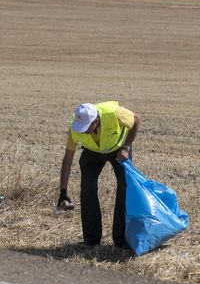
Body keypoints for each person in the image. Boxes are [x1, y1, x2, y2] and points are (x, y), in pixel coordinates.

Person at [58, 101, 141, 248]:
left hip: (118, 148)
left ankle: (121, 240)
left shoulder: (114, 113)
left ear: (96, 121)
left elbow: (136, 120)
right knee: (87, 189)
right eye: (80, 128)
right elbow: (67, 159)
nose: (82, 131)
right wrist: (63, 192)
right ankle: (91, 240)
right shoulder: (75, 127)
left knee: (125, 189)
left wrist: (126, 147)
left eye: (86, 128)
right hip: (93, 151)